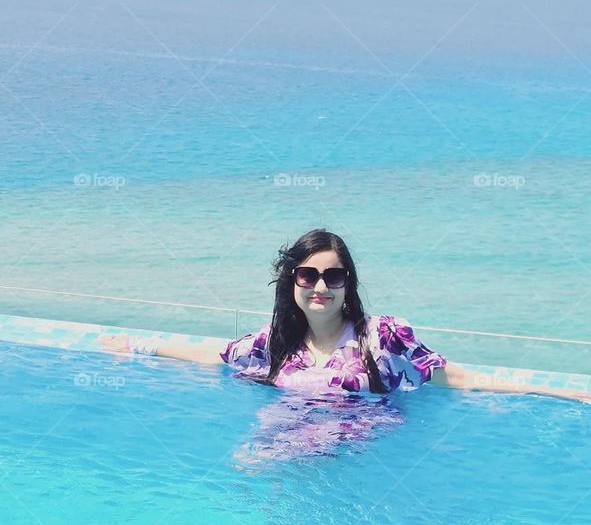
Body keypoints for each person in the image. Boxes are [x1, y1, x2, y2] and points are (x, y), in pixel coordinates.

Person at [100, 229, 591, 403]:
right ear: (291, 281)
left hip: (361, 454)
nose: (319, 287)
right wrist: (138, 347)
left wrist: (561, 391)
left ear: (347, 286)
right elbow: (211, 353)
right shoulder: (277, 344)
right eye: (307, 275)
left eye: (333, 278)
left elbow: (456, 377)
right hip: (292, 439)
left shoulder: (383, 339)